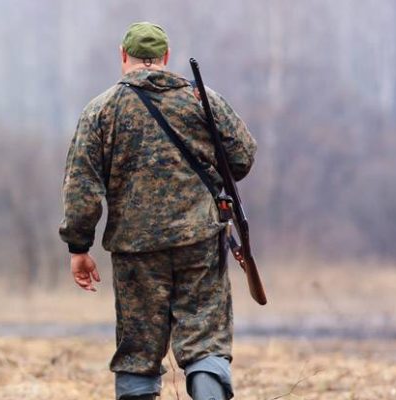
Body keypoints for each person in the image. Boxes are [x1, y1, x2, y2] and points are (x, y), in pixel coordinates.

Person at [59, 22, 257, 400]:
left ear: (123, 56)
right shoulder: (202, 100)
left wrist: (78, 247)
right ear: (166, 58)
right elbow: (243, 157)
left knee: (138, 354)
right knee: (204, 344)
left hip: (136, 252)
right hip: (199, 242)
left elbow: (81, 187)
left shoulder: (101, 111)